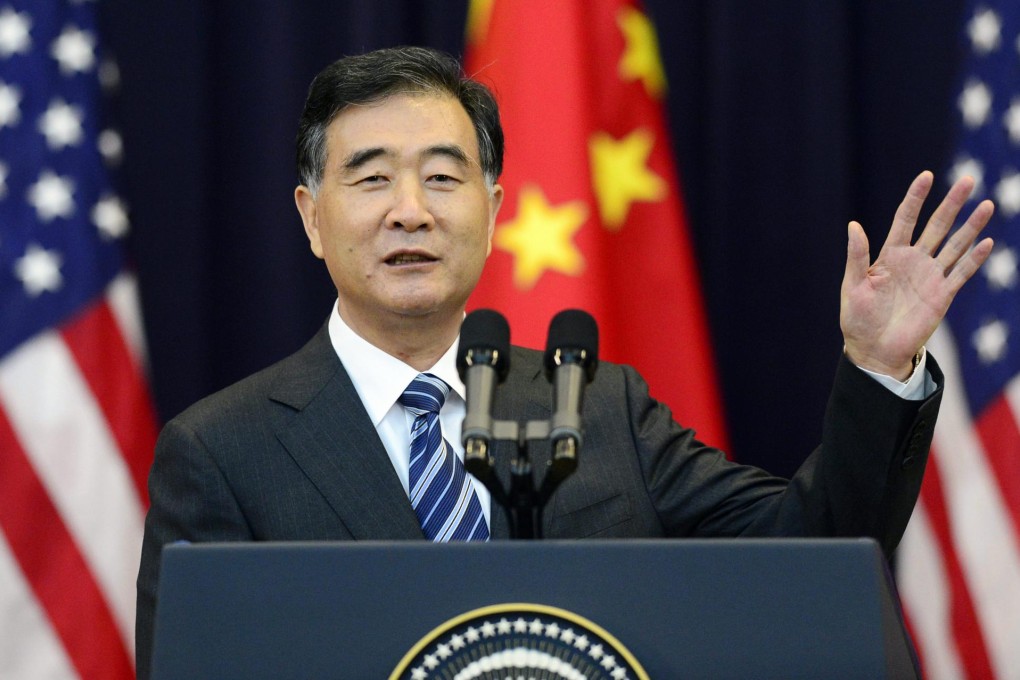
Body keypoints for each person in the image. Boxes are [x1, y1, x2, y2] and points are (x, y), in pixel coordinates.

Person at [134, 46, 994, 677]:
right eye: (370, 179)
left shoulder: (598, 403)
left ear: (493, 207)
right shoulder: (222, 451)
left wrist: (881, 366)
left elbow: (815, 554)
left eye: (442, 177)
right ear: (312, 216)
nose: (410, 211)